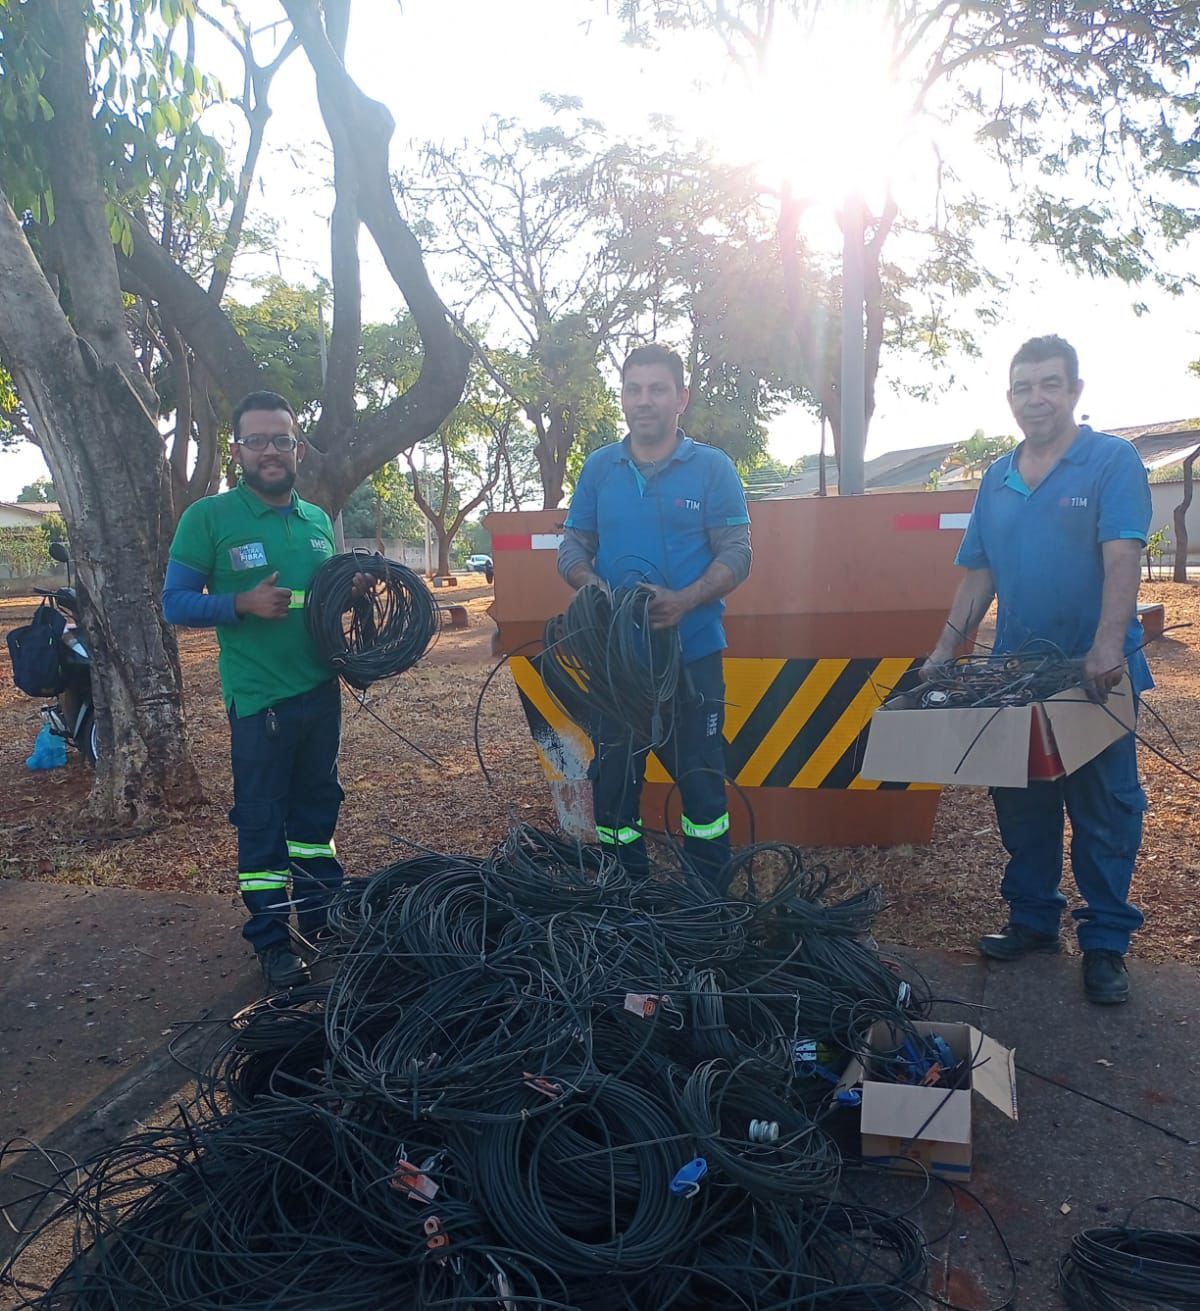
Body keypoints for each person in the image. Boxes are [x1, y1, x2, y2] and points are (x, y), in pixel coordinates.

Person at [923, 335, 1151, 1005]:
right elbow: (978, 577)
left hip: (1093, 675)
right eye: (1024, 387)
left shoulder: (1111, 461)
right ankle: (1032, 920)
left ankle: (1106, 943)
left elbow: (1123, 558)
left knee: (1105, 810)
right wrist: (943, 652)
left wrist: (1109, 644)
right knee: (1021, 805)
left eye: (1050, 384)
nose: (1036, 398)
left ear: (1075, 391)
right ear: (1010, 397)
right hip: (1015, 676)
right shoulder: (997, 477)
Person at [163, 391, 370, 990]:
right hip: (259, 703)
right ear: (238, 450)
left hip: (318, 692)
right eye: (258, 441)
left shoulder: (314, 523)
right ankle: (274, 942)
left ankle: (322, 921)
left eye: (282, 439)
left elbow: (319, 604)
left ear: (297, 447)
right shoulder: (209, 518)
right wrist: (240, 604)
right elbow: (175, 602)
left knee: (315, 816)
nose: (271, 451)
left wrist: (352, 592)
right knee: (262, 821)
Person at [557, 344, 752, 890]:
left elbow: (738, 552)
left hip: (692, 657)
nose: (644, 401)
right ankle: (626, 895)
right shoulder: (600, 468)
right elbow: (573, 546)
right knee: (615, 782)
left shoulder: (712, 469)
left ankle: (708, 903)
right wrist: (593, 587)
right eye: (633, 389)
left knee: (702, 785)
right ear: (623, 398)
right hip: (617, 665)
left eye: (657, 389)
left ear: (681, 399)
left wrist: (687, 598)